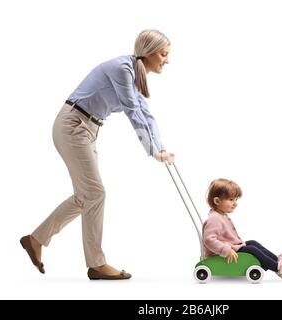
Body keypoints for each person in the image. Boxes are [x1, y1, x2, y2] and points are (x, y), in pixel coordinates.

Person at [20, 29, 175, 280]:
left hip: (88, 129)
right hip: (73, 125)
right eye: (163, 54)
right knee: (95, 194)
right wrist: (151, 151)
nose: (167, 60)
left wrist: (161, 148)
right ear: (148, 52)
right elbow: (132, 110)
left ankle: (36, 239)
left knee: (86, 196)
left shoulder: (136, 75)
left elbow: (146, 113)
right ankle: (96, 264)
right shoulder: (122, 69)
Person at [203, 178, 282, 279]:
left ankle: (276, 260)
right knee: (252, 249)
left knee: (253, 243)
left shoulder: (220, 215)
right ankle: (277, 268)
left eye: (235, 199)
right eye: (231, 200)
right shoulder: (214, 219)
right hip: (223, 250)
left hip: (232, 246)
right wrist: (226, 250)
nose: (235, 203)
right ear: (217, 201)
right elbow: (209, 240)